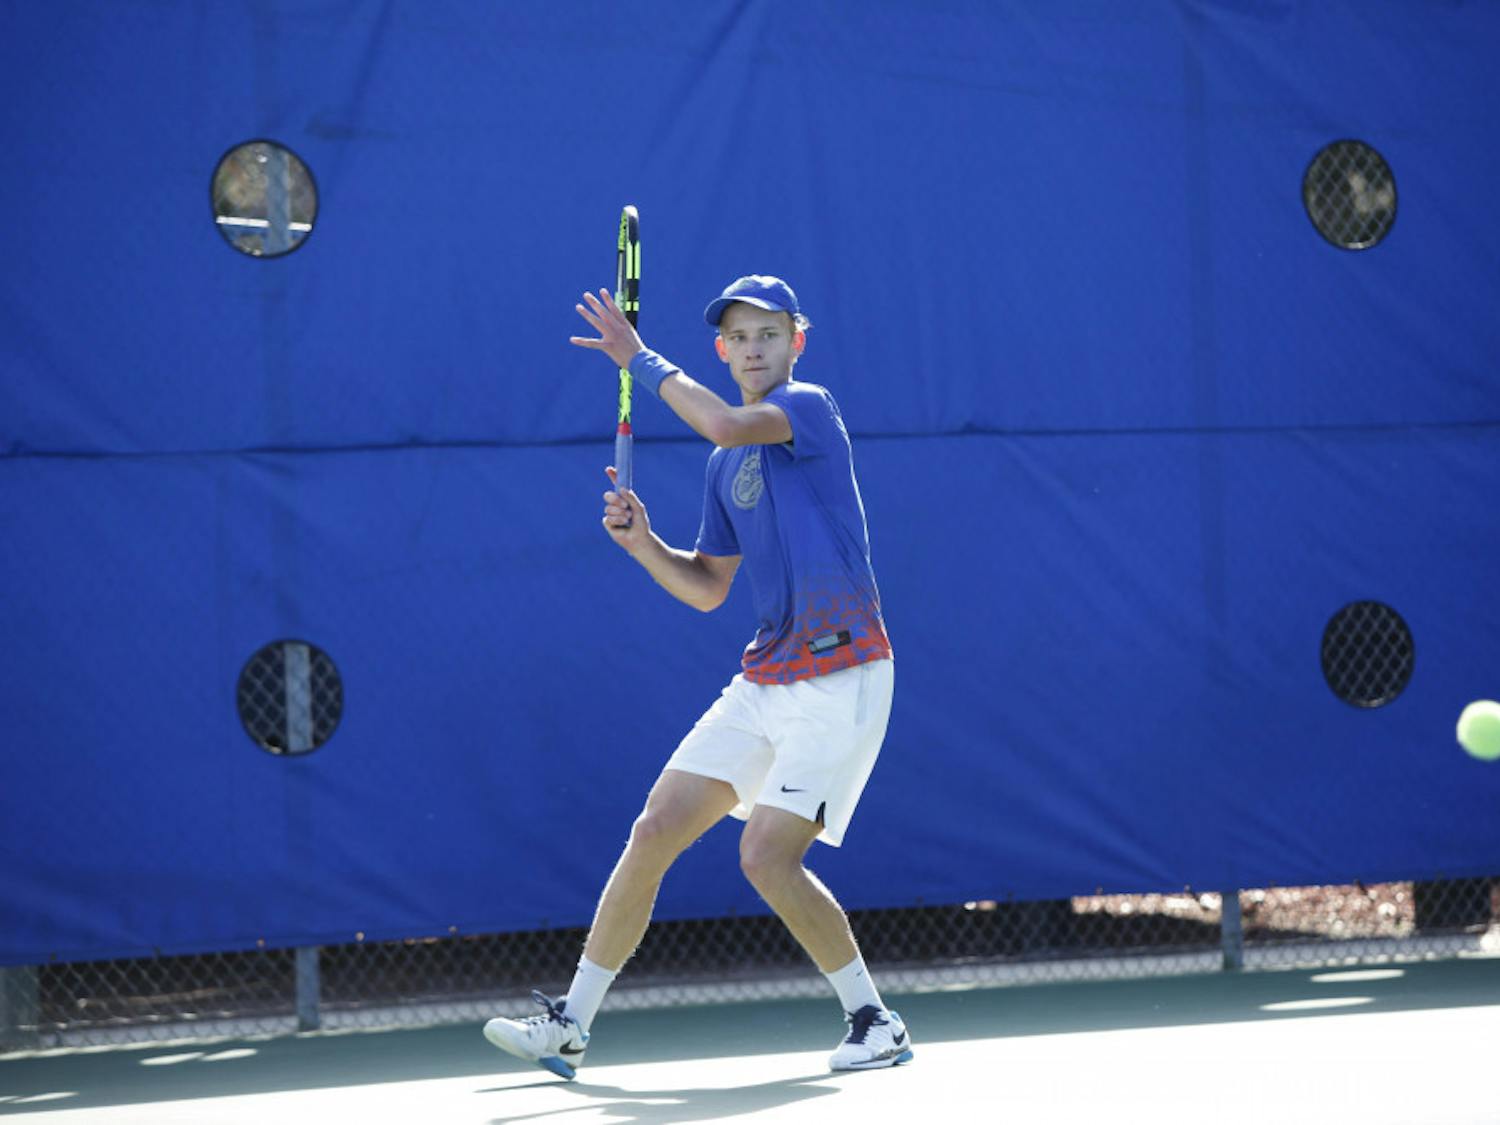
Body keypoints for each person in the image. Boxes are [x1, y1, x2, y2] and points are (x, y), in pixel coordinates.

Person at [482, 275, 909, 1078]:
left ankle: (872, 1018)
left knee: (765, 857)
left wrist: (636, 357)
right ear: (723, 348)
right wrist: (644, 543)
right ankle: (570, 1023)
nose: (755, 347)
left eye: (770, 334)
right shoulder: (724, 467)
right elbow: (709, 584)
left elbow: (717, 415)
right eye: (740, 337)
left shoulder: (808, 408)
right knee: (654, 829)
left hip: (844, 670)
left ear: (796, 343)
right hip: (766, 675)